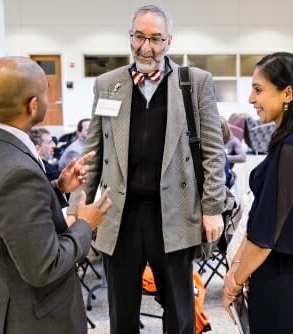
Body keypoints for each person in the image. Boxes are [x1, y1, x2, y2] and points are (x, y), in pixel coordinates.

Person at [66, 5, 227, 333]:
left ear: (169, 41)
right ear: (130, 36)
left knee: (179, 310)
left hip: (175, 211)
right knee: (121, 311)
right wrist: (75, 208)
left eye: (155, 39)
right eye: (139, 37)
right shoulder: (107, 84)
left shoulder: (194, 83)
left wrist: (213, 209)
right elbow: (93, 154)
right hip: (120, 213)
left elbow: (213, 153)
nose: (146, 47)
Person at [0, 56, 112, 334]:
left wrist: (56, 189)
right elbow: (45, 266)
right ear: (33, 105)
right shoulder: (17, 172)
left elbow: (3, 211)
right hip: (35, 320)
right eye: (46, 92)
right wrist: (87, 223)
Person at [223, 52, 293, 334]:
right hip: (283, 268)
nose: (251, 99)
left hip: (287, 272)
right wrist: (237, 269)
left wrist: (234, 280)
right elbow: (260, 217)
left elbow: (266, 234)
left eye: (258, 89)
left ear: (287, 93)